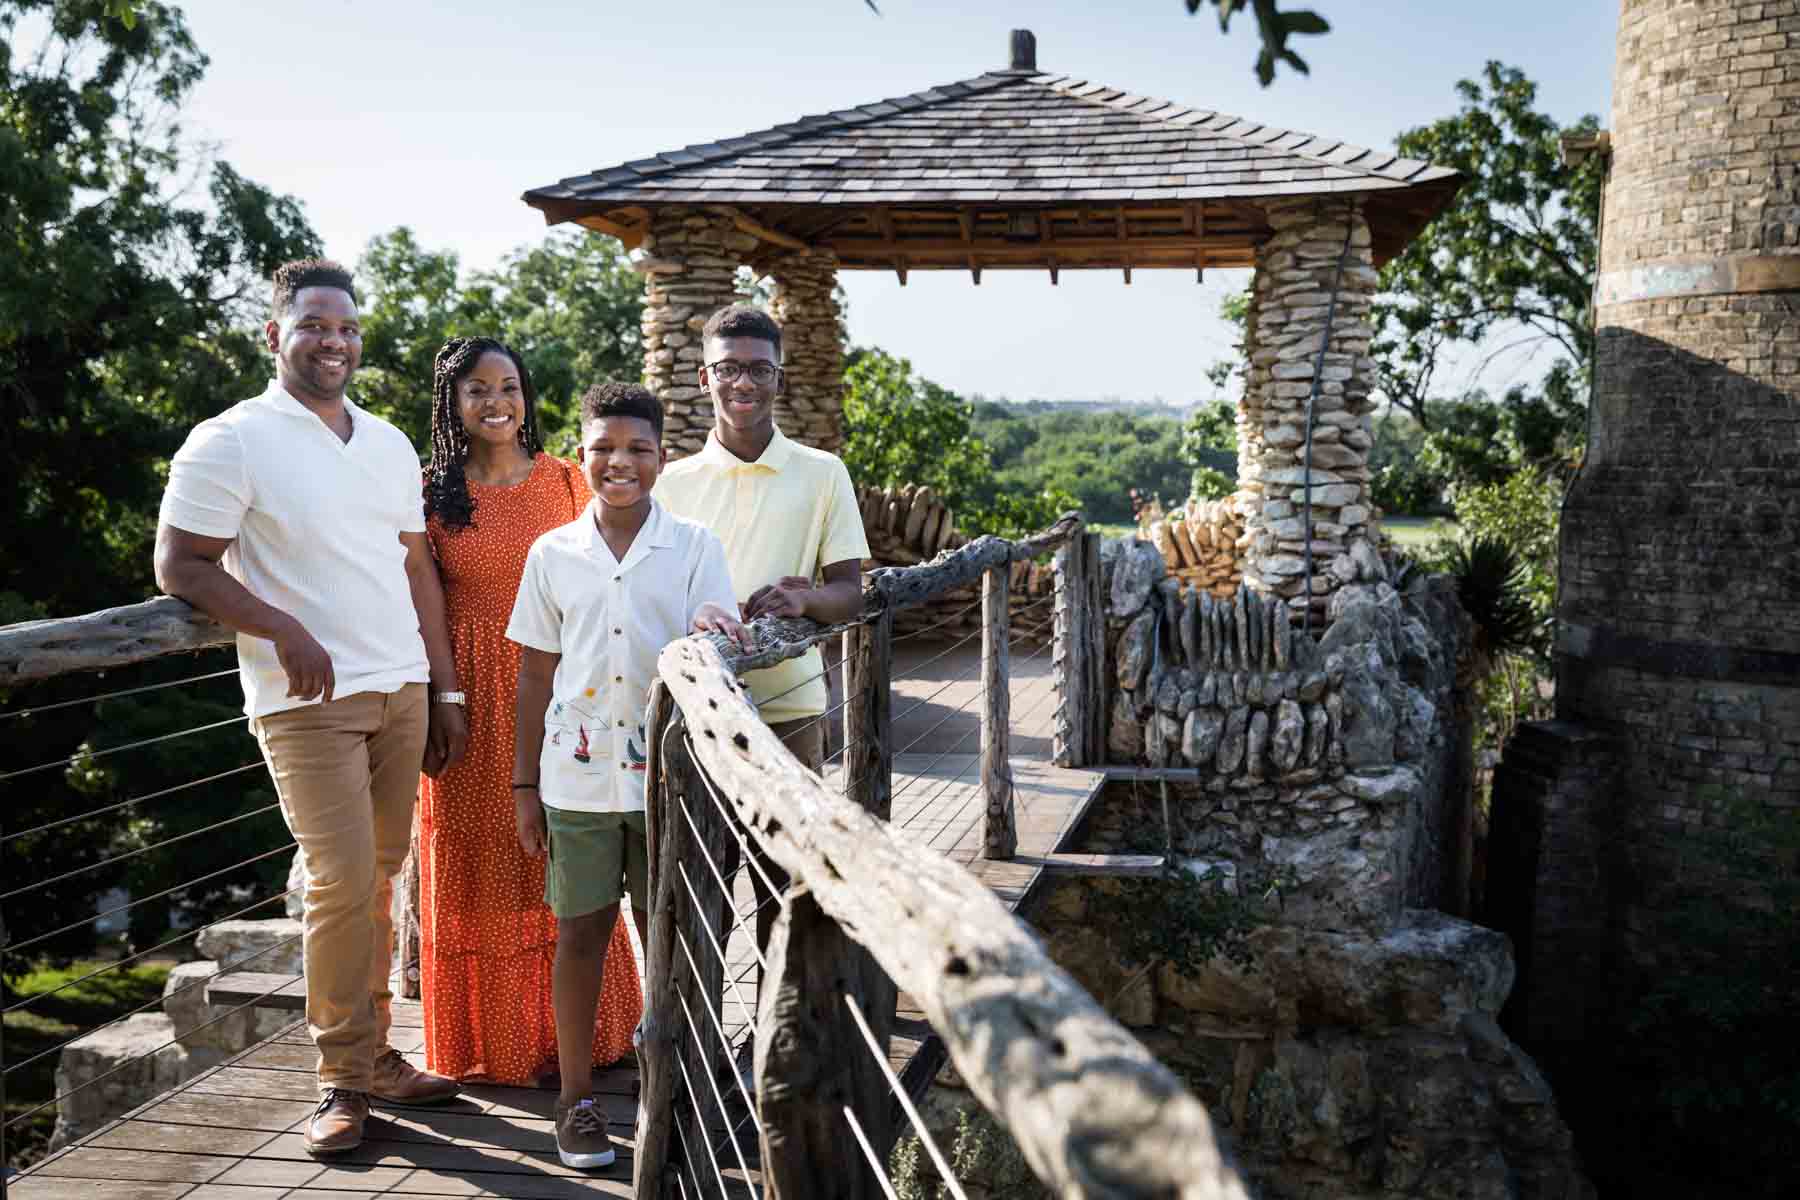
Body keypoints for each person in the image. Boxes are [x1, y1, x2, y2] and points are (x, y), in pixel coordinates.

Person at [154, 259, 467, 1157]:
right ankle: (340, 1076)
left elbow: (417, 571)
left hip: (400, 686)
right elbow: (181, 566)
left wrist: (443, 686)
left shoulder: (389, 442)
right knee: (338, 880)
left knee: (381, 877)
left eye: (346, 327)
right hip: (303, 701)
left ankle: (375, 1058)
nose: (334, 341)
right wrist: (282, 627)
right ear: (274, 335)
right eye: (314, 325)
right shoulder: (230, 440)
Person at [506, 382, 748, 1169]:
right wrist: (522, 788)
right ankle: (576, 1103)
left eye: (638, 449)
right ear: (583, 456)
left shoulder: (694, 547)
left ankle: (670, 1090)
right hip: (574, 784)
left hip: (667, 782)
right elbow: (534, 678)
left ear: (662, 458)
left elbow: (715, 630)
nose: (621, 462)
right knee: (579, 934)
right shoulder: (552, 555)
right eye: (604, 448)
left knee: (668, 935)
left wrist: (714, 628)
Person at [415, 337, 642, 1088]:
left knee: (561, 855)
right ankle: (500, 1045)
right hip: (468, 697)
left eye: (507, 387)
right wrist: (444, 696)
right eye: (476, 390)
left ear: (526, 395)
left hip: (561, 688)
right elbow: (424, 609)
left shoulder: (569, 483)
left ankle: (575, 1036)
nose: (495, 403)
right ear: (452, 402)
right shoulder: (429, 492)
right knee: (477, 860)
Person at [653, 304, 870, 972]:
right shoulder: (669, 481)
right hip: (693, 712)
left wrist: (806, 599)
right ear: (702, 377)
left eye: (756, 368)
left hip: (792, 707)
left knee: (786, 880)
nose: (741, 383)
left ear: (779, 376)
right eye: (727, 369)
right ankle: (703, 1052)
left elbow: (852, 591)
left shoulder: (823, 471)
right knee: (698, 881)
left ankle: (785, 1054)